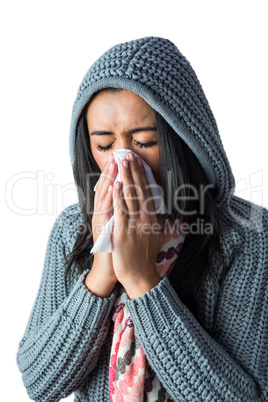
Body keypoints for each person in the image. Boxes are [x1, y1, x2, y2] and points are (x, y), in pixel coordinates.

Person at [16, 36, 267, 402]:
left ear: (184, 139)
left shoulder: (247, 239)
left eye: (145, 141)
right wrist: (101, 274)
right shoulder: (73, 230)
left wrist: (141, 281)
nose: (123, 162)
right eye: (104, 146)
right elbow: (39, 381)